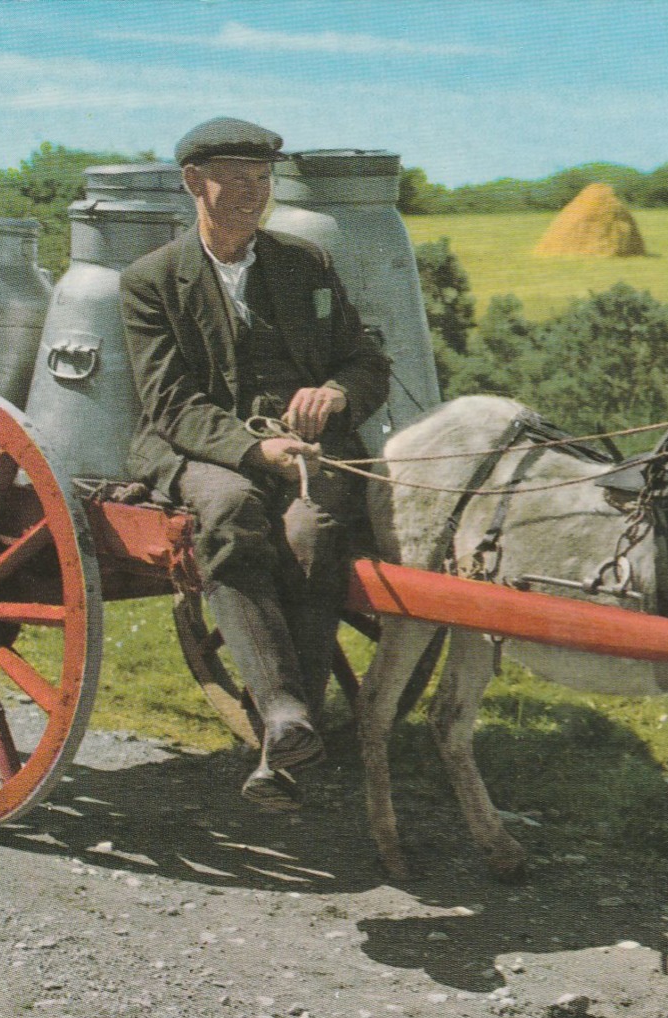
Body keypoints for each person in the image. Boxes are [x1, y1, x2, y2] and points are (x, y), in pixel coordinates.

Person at [119, 117, 390, 808]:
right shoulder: (151, 282)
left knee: (312, 532)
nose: (250, 193)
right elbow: (169, 400)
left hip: (305, 449)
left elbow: (364, 360)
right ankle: (282, 711)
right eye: (234, 179)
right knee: (232, 507)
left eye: (261, 179)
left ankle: (286, 730)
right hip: (198, 445)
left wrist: (332, 394)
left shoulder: (304, 263)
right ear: (193, 183)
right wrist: (251, 449)